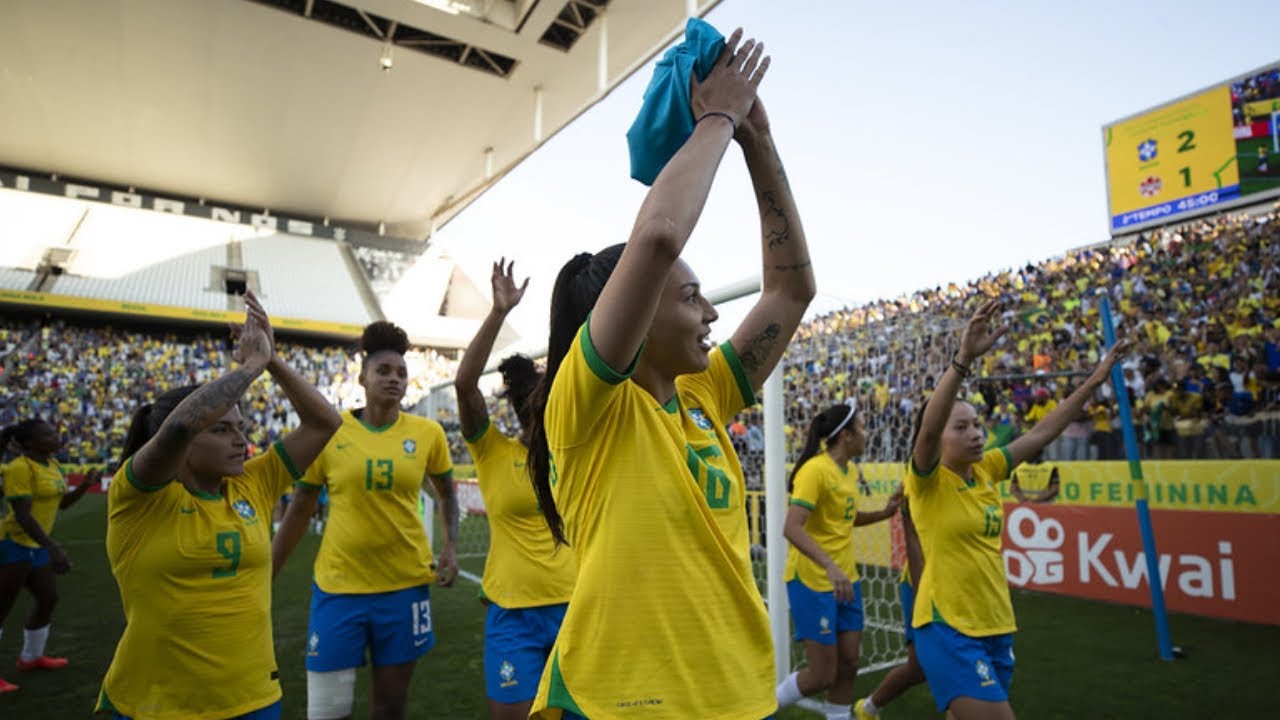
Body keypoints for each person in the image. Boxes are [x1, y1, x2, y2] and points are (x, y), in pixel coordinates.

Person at [525, 28, 814, 719]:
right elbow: (657, 237)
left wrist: (758, 142)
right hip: (621, 701)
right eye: (690, 297)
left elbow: (790, 293)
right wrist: (717, 115)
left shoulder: (701, 394)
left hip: (739, 695)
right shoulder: (585, 405)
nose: (713, 312)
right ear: (635, 314)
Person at [95, 291, 342, 719]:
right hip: (156, 705)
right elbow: (181, 425)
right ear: (185, 446)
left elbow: (325, 422)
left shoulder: (253, 484)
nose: (241, 440)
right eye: (223, 430)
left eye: (241, 428)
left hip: (255, 700)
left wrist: (273, 360)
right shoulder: (138, 497)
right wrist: (249, 367)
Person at [904, 300, 1129, 719]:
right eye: (962, 427)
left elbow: (1043, 432)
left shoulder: (988, 468)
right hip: (948, 627)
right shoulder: (927, 480)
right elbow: (930, 428)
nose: (976, 433)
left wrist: (1095, 379)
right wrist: (963, 360)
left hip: (996, 624)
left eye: (976, 424)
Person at [272, 320, 458, 720]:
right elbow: (302, 506)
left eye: (402, 373)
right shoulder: (330, 431)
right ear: (362, 377)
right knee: (326, 711)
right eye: (384, 371)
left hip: (405, 586)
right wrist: (268, 568)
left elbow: (446, 491)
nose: (395, 379)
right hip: (339, 587)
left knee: (389, 709)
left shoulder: (428, 433)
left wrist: (451, 546)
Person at [454, 259, 576, 720]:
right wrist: (498, 313)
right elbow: (466, 384)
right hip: (512, 615)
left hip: (575, 606)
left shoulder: (575, 451)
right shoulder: (491, 450)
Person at [775, 402, 902, 720]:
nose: (866, 433)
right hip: (813, 580)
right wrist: (829, 566)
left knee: (849, 665)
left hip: (847, 580)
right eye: (861, 427)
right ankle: (760, 709)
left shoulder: (850, 471)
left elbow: (843, 518)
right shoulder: (815, 471)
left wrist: (883, 514)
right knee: (822, 675)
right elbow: (791, 528)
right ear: (845, 435)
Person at [0, 420, 100, 694]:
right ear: (31, 443)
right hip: (13, 543)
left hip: (35, 545)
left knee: (48, 598)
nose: (57, 435)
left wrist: (85, 486)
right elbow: (22, 515)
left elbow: (62, 504)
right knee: (3, 606)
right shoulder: (20, 467)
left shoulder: (53, 464)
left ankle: (30, 658)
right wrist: (52, 547)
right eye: (49, 433)